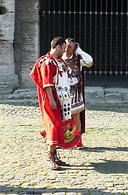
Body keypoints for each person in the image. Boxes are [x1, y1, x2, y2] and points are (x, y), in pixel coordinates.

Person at [30, 37, 81, 170]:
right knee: (54, 126)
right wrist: (51, 100)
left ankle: (55, 155)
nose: (65, 50)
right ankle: (50, 157)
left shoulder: (56, 61)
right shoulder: (48, 62)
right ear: (57, 47)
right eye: (64, 48)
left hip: (59, 98)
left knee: (61, 125)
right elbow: (47, 83)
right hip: (51, 99)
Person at [63, 38, 93, 148]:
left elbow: (89, 61)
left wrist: (79, 50)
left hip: (74, 92)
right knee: (63, 118)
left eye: (70, 46)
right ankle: (64, 140)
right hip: (62, 92)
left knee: (76, 117)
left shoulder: (77, 59)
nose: (66, 49)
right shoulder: (58, 58)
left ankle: (77, 141)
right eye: (65, 46)